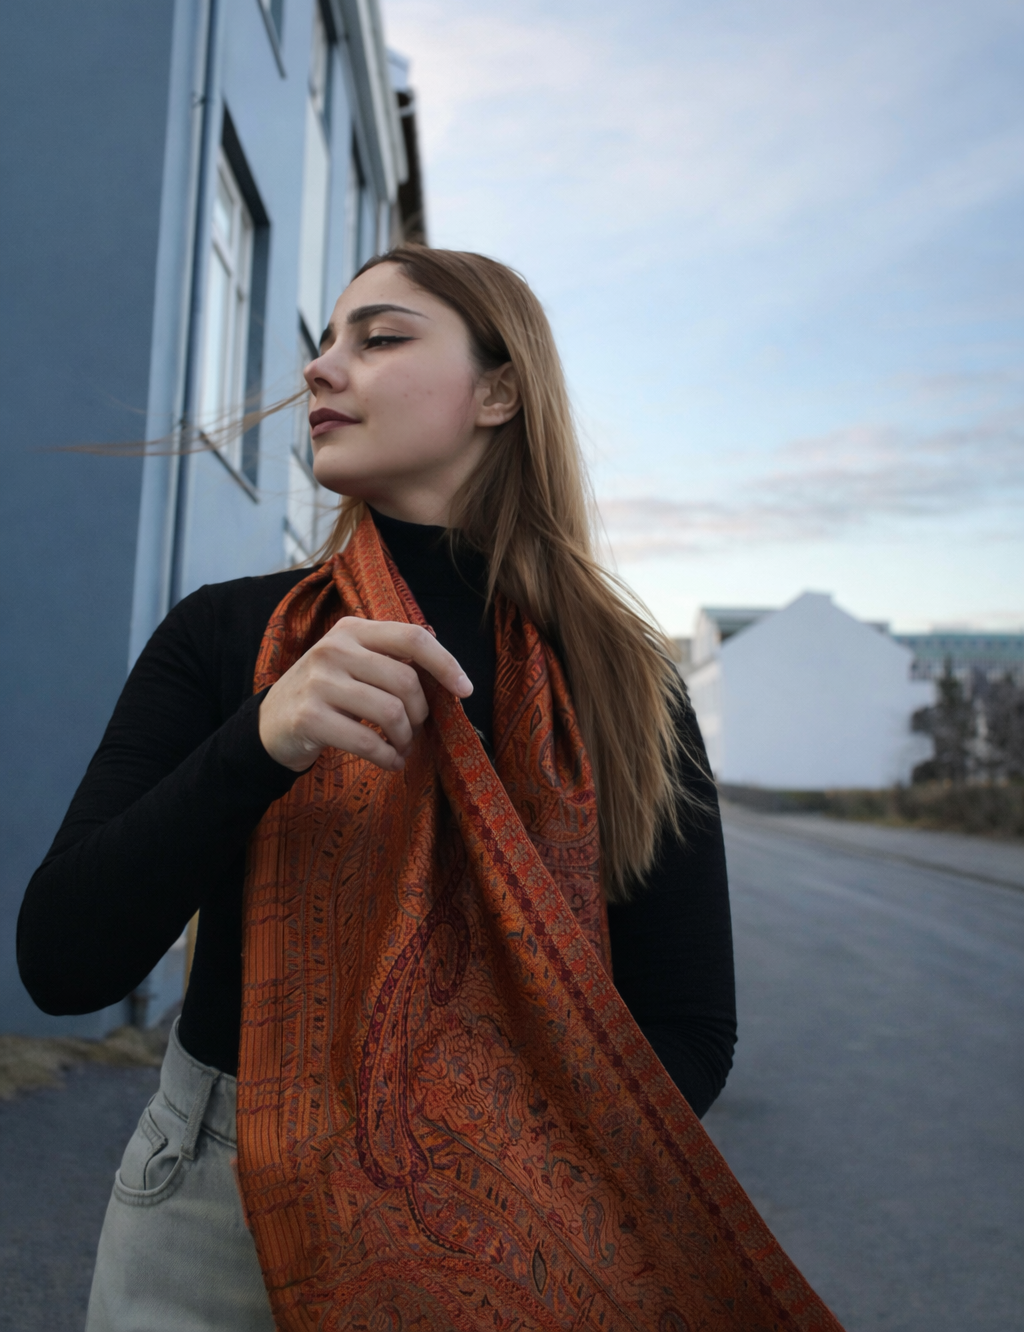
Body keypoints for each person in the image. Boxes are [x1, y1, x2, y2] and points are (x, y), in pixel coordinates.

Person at [18, 247, 833, 1331]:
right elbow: (64, 963)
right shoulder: (225, 635)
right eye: (325, 341)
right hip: (217, 1206)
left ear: (498, 391)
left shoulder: (622, 685)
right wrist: (261, 742)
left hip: (513, 1223)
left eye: (380, 337)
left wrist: (491, 1180)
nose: (319, 369)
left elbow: (684, 1026)